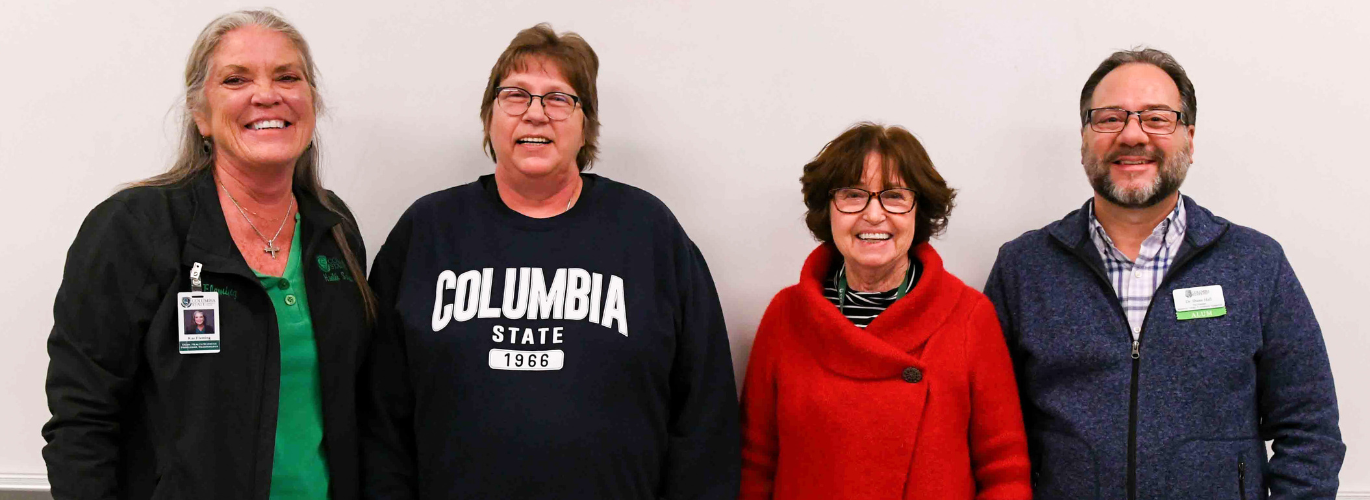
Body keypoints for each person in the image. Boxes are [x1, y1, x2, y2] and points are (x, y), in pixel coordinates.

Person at [360, 23, 739, 499]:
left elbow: (706, 418)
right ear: (490, 118)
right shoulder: (426, 232)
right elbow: (379, 419)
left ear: (586, 126)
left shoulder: (650, 233)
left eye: (559, 98)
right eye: (515, 95)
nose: (535, 114)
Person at [984, 48, 1345, 499]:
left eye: (1157, 118)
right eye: (1110, 118)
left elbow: (1310, 430)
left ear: (1189, 140)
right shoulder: (1024, 267)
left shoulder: (1256, 264)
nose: (1132, 135)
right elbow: (989, 433)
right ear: (1083, 140)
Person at [42, 9, 374, 500]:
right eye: (236, 79)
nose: (268, 94)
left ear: (311, 102)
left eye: (288, 76)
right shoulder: (134, 227)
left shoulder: (335, 229)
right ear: (201, 115)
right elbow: (81, 422)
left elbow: (358, 409)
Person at [739, 122, 1031, 500]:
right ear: (828, 209)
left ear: (918, 210)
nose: (874, 215)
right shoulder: (787, 315)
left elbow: (1004, 468)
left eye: (894, 196)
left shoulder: (969, 316)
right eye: (852, 194)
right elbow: (756, 464)